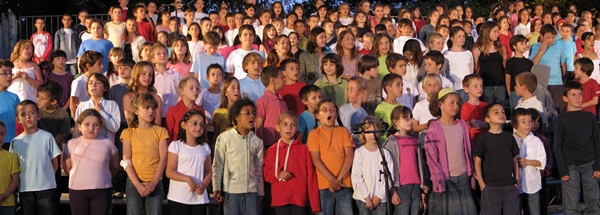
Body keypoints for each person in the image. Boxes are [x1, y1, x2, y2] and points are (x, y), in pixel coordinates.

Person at [423, 88, 477, 214]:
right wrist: (438, 180)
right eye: (451, 103)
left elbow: (469, 151)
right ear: (440, 105)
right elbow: (432, 158)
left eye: (458, 103)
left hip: (463, 177)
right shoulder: (434, 129)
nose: (455, 106)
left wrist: (471, 174)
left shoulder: (462, 125)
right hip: (446, 180)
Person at [212, 98, 264, 215]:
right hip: (231, 191)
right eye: (247, 113)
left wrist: (260, 191)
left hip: (251, 191)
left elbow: (259, 168)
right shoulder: (224, 138)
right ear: (237, 117)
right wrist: (216, 187)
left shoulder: (257, 142)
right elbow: (217, 165)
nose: (251, 116)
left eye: (253, 113)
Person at [554, 81, 600, 214]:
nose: (578, 97)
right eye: (573, 95)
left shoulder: (590, 117)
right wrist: (562, 170)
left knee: (593, 201)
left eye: (580, 94)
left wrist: (598, 165)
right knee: (571, 204)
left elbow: (597, 141)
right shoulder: (562, 119)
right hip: (570, 165)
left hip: (590, 164)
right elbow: (557, 146)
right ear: (565, 98)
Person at [263, 112, 321, 215]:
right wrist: (278, 173)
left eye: (293, 125)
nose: (289, 128)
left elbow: (311, 177)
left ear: (297, 128)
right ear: (277, 127)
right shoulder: (272, 150)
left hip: (300, 200)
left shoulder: (304, 150)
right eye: (285, 124)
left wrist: (315, 205)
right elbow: (267, 174)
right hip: (280, 200)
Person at [10, 100, 61, 215]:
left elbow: (55, 162)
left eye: (31, 113)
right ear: (18, 119)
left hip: (46, 188)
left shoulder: (47, 137)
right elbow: (14, 166)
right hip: (25, 188)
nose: (28, 116)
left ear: (38, 116)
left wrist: (46, 178)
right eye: (23, 114)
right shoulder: (16, 142)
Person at [63, 109, 119, 215]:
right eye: (87, 124)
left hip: (102, 189)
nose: (91, 128)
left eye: (95, 125)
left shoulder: (108, 143)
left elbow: (114, 166)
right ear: (79, 126)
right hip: (77, 189)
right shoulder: (71, 143)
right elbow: (67, 166)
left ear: (100, 126)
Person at [121, 92, 169, 215]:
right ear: (136, 110)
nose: (151, 111)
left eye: (153, 108)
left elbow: (163, 159)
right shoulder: (128, 133)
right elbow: (126, 159)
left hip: (155, 182)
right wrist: (137, 184)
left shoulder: (161, 132)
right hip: (133, 182)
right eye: (146, 108)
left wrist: (154, 183)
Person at [308, 99, 355, 215]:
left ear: (336, 114)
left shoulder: (343, 132)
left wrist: (338, 179)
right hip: (323, 184)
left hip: (343, 183)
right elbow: (315, 159)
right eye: (324, 110)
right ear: (317, 115)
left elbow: (349, 156)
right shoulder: (314, 134)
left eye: (332, 110)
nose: (329, 113)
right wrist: (331, 179)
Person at [474, 102, 520, 214]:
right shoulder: (483, 138)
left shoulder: (509, 137)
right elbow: (477, 162)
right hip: (490, 186)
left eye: (503, 112)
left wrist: (516, 181)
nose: (501, 114)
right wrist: (482, 185)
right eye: (496, 112)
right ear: (487, 119)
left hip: (509, 186)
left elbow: (515, 161)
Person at [383, 106, 429, 215]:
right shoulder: (391, 142)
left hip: (416, 185)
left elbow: (420, 164)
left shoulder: (414, 140)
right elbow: (387, 168)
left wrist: (423, 183)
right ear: (396, 121)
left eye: (411, 118)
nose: (410, 121)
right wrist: (392, 190)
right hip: (401, 187)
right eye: (406, 118)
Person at [166, 110, 212, 215]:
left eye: (202, 125)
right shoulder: (175, 145)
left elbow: (208, 171)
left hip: (199, 198)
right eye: (194, 123)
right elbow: (169, 171)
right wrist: (188, 179)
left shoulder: (205, 147)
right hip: (179, 197)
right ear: (184, 125)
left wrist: (204, 184)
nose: (198, 127)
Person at [352, 116, 394, 215]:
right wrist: (367, 197)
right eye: (369, 131)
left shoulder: (385, 153)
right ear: (363, 133)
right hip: (363, 198)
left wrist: (379, 196)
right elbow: (356, 176)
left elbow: (389, 176)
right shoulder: (359, 153)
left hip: (380, 199)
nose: (372, 134)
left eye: (375, 130)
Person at [511, 108, 546, 215]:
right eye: (523, 121)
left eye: (529, 121)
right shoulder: (511, 140)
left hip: (532, 185)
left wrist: (527, 162)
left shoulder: (536, 141)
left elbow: (541, 162)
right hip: (516, 185)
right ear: (514, 124)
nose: (527, 124)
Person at [530, 24, 567, 112]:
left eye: (553, 37)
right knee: (541, 110)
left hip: (556, 84)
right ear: (541, 36)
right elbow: (532, 64)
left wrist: (562, 79)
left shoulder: (558, 47)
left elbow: (563, 65)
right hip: (541, 84)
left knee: (558, 109)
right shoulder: (535, 47)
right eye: (548, 37)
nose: (550, 40)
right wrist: (541, 51)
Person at [74, 73, 121, 142]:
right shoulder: (82, 106)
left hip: (106, 147)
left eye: (98, 83)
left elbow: (114, 128)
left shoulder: (112, 105)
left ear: (105, 88)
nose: (93, 85)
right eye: (90, 83)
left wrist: (101, 112)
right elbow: (77, 129)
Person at [473, 21, 507, 108]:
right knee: (487, 109)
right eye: (494, 31)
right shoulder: (478, 49)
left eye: (498, 31)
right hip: (486, 85)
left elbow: (504, 65)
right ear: (487, 32)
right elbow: (474, 68)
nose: (497, 34)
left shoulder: (501, 48)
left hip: (500, 84)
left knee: (500, 108)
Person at [256, 66, 288, 147]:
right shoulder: (263, 100)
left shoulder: (283, 101)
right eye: (282, 77)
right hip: (269, 144)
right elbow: (259, 126)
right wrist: (260, 146)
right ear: (273, 80)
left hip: (283, 143)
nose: (284, 80)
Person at [165, 76, 204, 143]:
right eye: (191, 88)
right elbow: (168, 135)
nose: (195, 91)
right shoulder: (173, 111)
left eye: (197, 89)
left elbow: (203, 134)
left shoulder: (200, 110)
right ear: (181, 91)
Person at [151, 43, 182, 123]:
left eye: (165, 53)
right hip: (156, 116)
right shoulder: (151, 76)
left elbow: (182, 94)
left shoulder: (176, 75)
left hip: (174, 115)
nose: (162, 55)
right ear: (153, 60)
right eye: (159, 53)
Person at [444, 26, 474, 102]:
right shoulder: (446, 54)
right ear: (452, 38)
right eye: (459, 36)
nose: (462, 38)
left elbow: (471, 70)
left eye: (463, 36)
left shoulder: (468, 53)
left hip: (468, 89)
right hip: (453, 88)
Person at [71, 50, 103, 118]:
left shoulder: (101, 79)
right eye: (99, 64)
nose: (102, 66)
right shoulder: (79, 81)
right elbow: (73, 103)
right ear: (88, 65)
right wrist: (77, 121)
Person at [505, 35, 533, 109]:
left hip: (527, 91)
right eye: (521, 44)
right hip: (514, 92)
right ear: (514, 46)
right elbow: (508, 80)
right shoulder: (510, 62)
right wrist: (509, 94)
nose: (524, 46)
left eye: (525, 43)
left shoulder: (529, 62)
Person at [460, 74, 488, 143]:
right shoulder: (464, 107)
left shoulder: (486, 106)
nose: (479, 88)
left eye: (481, 86)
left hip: (486, 140)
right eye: (475, 86)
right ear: (466, 89)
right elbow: (464, 126)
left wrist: (483, 124)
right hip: (472, 140)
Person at [0, 60, 19, 150]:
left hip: (10, 142)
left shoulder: (14, 97)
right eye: (4, 73)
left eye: (10, 73)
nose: (9, 76)